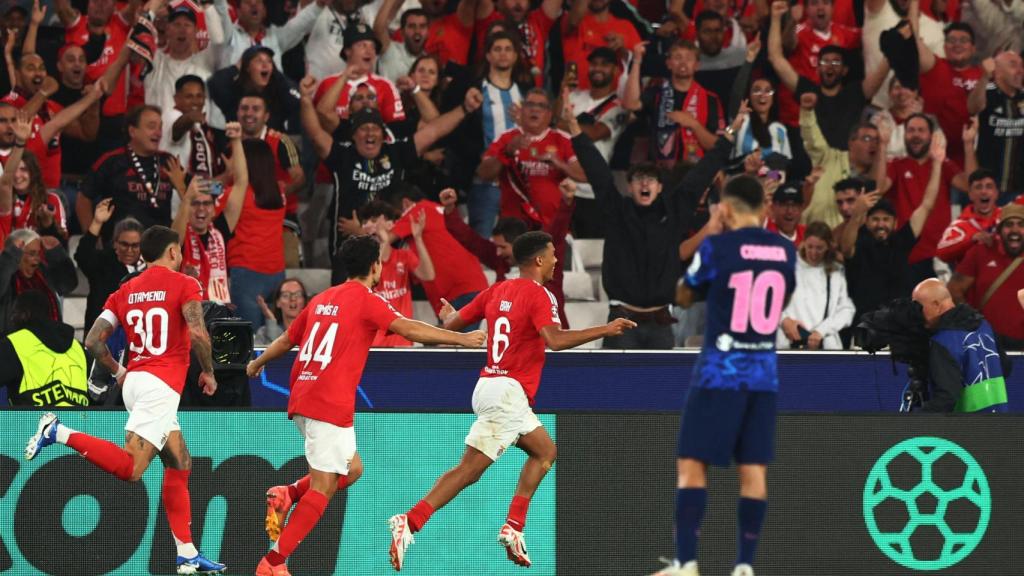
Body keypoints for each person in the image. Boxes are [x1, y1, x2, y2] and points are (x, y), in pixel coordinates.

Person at [387, 231, 636, 571]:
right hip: (507, 392)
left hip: (492, 385)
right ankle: (411, 521)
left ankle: (514, 526)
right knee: (468, 471)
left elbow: (452, 324)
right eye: (551, 255)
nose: (555, 261)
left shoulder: (496, 290)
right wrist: (604, 330)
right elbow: (556, 340)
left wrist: (448, 315)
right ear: (538, 260)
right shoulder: (540, 295)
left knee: (545, 450)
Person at [247, 234, 486, 576]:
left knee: (353, 469)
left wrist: (258, 362)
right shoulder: (365, 299)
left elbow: (287, 339)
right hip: (326, 401)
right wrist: (461, 338)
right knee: (325, 486)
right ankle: (274, 562)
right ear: (375, 267)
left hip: (308, 394)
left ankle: (286, 493)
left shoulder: (322, 299)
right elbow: (409, 328)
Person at [24, 225, 226, 575]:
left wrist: (119, 373)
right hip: (160, 387)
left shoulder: (126, 290)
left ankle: (188, 554)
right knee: (131, 470)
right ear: (174, 252)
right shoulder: (185, 284)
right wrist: (208, 370)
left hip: (136, 380)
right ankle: (58, 432)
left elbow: (93, 340)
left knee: (180, 462)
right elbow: (197, 331)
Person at [654, 175, 796, 576]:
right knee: (753, 470)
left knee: (692, 464)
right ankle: (744, 568)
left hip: (720, 372)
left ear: (727, 209)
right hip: (764, 375)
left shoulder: (718, 246)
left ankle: (686, 563)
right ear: (765, 209)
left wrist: (712, 235)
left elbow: (682, 295)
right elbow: (782, 297)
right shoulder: (785, 251)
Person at [840, 131, 945, 329]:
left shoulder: (901, 241)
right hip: (865, 327)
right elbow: (846, 248)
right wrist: (857, 213)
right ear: (867, 222)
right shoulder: (860, 242)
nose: (881, 224)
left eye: (886, 219)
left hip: (899, 327)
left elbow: (927, 205)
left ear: (895, 223)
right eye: (875, 219)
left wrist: (937, 163)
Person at [169, 121, 247, 304]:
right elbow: (174, 240)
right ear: (188, 207)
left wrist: (236, 141)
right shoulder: (180, 230)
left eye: (206, 204)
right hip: (187, 312)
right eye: (195, 204)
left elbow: (241, 182)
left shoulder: (220, 228)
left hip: (218, 312)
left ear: (213, 209)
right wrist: (186, 198)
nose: (201, 209)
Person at [76, 104, 178, 242]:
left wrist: (214, 184)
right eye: (151, 126)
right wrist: (92, 238)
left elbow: (199, 192)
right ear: (132, 131)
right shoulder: (112, 161)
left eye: (160, 127)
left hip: (160, 249)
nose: (158, 133)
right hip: (120, 249)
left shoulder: (168, 161)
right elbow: (83, 198)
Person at [911, 278, 1008, 412]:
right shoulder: (984, 326)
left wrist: (914, 419)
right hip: (1001, 424)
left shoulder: (943, 341)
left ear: (936, 304)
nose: (917, 315)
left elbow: (946, 399)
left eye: (919, 308)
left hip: (966, 428)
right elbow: (1006, 368)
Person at [623, 40, 725, 166]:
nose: (683, 62)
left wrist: (694, 125)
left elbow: (718, 146)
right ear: (669, 64)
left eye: (689, 58)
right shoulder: (657, 92)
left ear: (697, 65)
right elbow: (630, 104)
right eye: (678, 57)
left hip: (696, 172)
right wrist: (637, 61)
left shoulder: (711, 99)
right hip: (661, 172)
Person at [359, 200, 435, 346]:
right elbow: (371, 280)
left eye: (374, 220)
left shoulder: (403, 257)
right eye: (364, 222)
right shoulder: (361, 260)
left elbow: (428, 275)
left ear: (390, 224)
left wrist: (418, 238)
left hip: (402, 343)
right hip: (373, 346)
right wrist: (382, 244)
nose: (367, 225)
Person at [947, 203, 1024, 350]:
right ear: (999, 230)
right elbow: (953, 289)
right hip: (987, 344)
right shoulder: (981, 252)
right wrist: (973, 322)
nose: (1015, 230)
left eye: (1021, 224)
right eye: (1009, 224)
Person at [0, 290, 88, 407]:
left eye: (15, 312)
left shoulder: (14, 344)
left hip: (29, 423)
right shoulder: (79, 348)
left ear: (25, 314)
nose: (11, 318)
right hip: (79, 424)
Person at [777, 221, 854, 349]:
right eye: (810, 247)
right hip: (788, 344)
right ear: (804, 243)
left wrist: (822, 330)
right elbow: (768, 304)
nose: (813, 253)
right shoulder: (787, 266)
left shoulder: (835, 272)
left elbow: (846, 310)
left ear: (828, 247)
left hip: (825, 346)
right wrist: (784, 320)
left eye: (819, 248)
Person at [75, 207, 146, 331]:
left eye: (135, 245)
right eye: (124, 244)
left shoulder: (148, 269)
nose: (129, 250)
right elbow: (82, 255)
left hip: (136, 337)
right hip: (102, 337)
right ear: (115, 243)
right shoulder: (102, 264)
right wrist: (97, 223)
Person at [968, 52, 1024, 202]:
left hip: (1019, 188)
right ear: (997, 71)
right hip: (989, 189)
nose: (1020, 70)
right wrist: (985, 77)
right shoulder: (987, 91)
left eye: (1021, 66)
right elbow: (973, 107)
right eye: (1013, 65)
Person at [0, 228, 77, 336]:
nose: (37, 259)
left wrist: (57, 253)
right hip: (12, 345)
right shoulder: (7, 276)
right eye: (32, 254)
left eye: (38, 254)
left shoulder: (42, 272)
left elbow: (68, 285)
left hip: (48, 341)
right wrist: (9, 257)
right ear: (16, 252)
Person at [935, 169, 1002, 265]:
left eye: (989, 187)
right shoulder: (959, 226)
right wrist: (971, 240)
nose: (984, 191)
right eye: (978, 187)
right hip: (973, 278)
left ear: (996, 193)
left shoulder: (1008, 218)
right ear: (970, 194)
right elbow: (941, 253)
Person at [254, 278, 308, 346]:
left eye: (298, 294)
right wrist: (272, 324)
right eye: (286, 295)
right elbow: (265, 356)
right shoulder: (263, 332)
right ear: (278, 302)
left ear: (304, 301)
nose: (293, 299)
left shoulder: (312, 332)